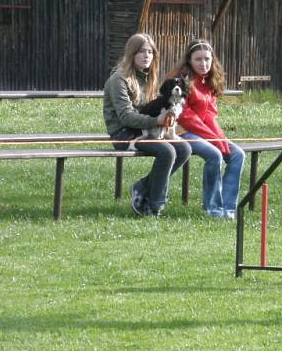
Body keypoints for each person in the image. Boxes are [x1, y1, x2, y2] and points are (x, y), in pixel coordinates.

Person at [103, 33, 191, 216]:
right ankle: (154, 207)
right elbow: (126, 116)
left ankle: (142, 187)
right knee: (167, 151)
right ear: (131, 54)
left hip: (147, 130)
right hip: (124, 134)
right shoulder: (118, 79)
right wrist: (156, 120)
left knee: (184, 149)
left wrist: (168, 116)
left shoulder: (148, 78)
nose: (147, 56)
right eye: (141, 51)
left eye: (150, 52)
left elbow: (151, 108)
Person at [172, 39, 244, 219]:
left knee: (238, 155)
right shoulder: (181, 82)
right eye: (198, 59)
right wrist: (215, 140)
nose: (203, 64)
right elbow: (186, 117)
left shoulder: (210, 81)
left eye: (207, 59)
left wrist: (220, 138)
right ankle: (212, 209)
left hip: (205, 133)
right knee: (215, 154)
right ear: (189, 60)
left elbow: (211, 116)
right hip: (182, 132)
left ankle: (228, 209)